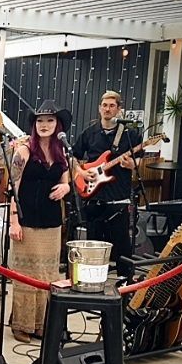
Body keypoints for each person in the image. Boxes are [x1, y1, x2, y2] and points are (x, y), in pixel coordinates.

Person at [7, 100, 72, 343]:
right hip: (27, 220)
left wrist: (66, 187)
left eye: (50, 120)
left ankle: (42, 324)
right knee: (26, 274)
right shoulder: (24, 151)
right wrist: (14, 221)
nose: (44, 125)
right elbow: (13, 187)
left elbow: (66, 180)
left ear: (58, 124)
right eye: (40, 121)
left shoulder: (62, 152)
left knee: (47, 274)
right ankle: (21, 323)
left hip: (51, 222)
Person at [73, 90, 142, 277]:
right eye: (104, 105)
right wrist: (82, 172)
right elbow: (73, 157)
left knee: (122, 246)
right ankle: (92, 280)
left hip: (118, 198)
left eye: (112, 106)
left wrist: (132, 165)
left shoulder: (130, 135)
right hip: (94, 197)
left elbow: (139, 161)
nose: (107, 109)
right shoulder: (89, 133)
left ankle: (124, 283)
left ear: (119, 109)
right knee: (94, 246)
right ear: (99, 108)